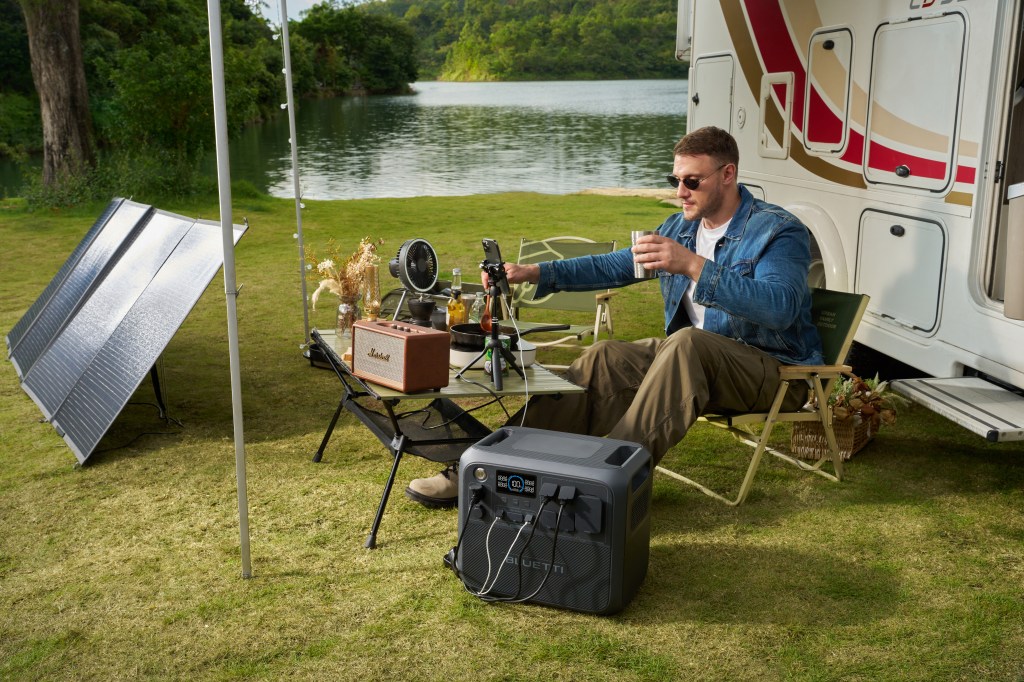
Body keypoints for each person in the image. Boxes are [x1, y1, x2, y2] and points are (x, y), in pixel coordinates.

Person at [404, 126, 823, 508]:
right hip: (693, 360)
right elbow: (612, 266)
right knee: (603, 358)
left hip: (772, 372)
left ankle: (600, 485)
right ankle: (483, 467)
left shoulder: (777, 230)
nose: (681, 191)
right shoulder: (680, 228)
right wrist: (535, 273)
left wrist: (695, 266)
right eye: (674, 180)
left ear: (728, 175)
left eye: (692, 181)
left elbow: (780, 307)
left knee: (686, 343)